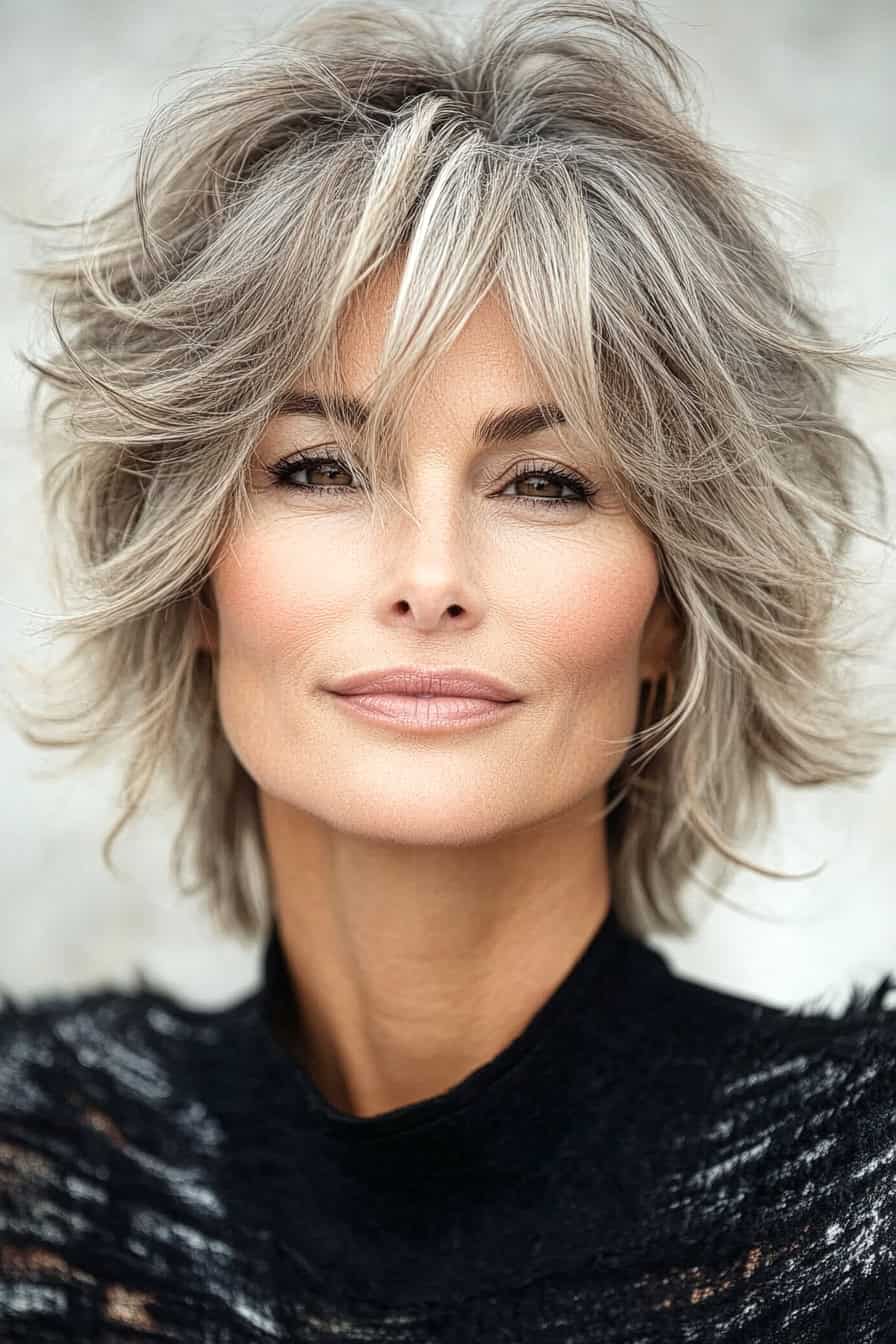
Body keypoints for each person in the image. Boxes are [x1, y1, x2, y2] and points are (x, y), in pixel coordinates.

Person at [2, 0, 895, 1338]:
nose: (430, 575)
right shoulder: (44, 1176)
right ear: (193, 570)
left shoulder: (862, 1198)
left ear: (669, 609)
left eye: (546, 480)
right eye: (318, 467)